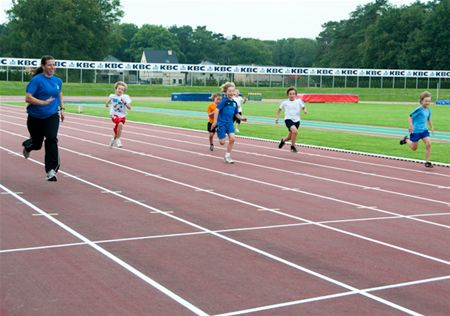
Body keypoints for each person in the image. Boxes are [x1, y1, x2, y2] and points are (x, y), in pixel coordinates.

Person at [22, 55, 65, 182]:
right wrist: (42, 103)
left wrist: (62, 109)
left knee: (51, 138)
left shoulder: (58, 81)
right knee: (37, 144)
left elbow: (60, 93)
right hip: (35, 116)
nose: (52, 67)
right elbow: (28, 98)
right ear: (43, 66)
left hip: (51, 115)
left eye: (54, 64)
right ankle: (28, 146)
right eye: (49, 65)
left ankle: (51, 170)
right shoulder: (36, 80)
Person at [211, 82, 247, 163]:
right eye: (229, 91)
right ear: (226, 92)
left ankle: (227, 156)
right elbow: (217, 110)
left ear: (235, 92)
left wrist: (241, 118)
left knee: (232, 139)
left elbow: (236, 114)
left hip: (230, 124)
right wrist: (215, 121)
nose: (231, 93)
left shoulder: (234, 103)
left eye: (232, 91)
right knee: (222, 142)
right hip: (222, 124)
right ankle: (219, 131)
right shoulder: (224, 101)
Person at [400, 91, 435, 168]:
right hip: (416, 131)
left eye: (429, 101)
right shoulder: (419, 109)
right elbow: (410, 116)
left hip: (424, 131)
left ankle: (427, 162)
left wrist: (432, 127)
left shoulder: (428, 110)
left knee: (429, 144)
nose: (427, 103)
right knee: (414, 148)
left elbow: (428, 119)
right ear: (422, 100)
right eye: (426, 101)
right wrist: (410, 126)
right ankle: (406, 139)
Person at [275, 87, 307, 153]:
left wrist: (305, 110)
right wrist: (277, 118)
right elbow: (279, 110)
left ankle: (283, 140)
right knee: (295, 131)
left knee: (289, 137)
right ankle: (292, 146)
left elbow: (303, 107)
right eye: (290, 94)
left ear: (295, 95)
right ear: (288, 95)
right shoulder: (285, 102)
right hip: (288, 120)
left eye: (293, 94)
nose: (292, 95)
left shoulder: (299, 101)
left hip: (297, 121)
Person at [105, 81, 132, 148]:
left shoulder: (125, 97)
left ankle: (113, 139)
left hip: (122, 116)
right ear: (116, 89)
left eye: (122, 89)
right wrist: (107, 104)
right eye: (119, 89)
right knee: (120, 124)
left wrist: (124, 102)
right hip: (114, 115)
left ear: (124, 91)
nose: (120, 90)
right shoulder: (112, 96)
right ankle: (118, 139)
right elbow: (107, 102)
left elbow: (129, 108)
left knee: (118, 129)